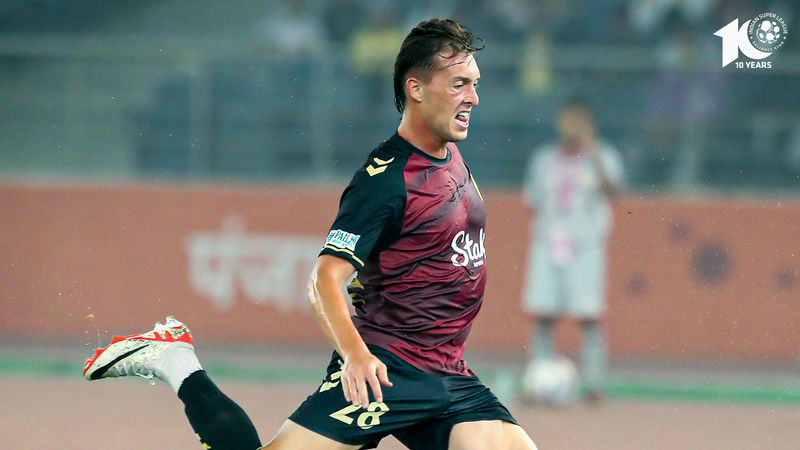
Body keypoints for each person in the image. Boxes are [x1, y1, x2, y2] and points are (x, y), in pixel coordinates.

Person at [84, 18, 538, 450]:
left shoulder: (451, 156)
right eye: (459, 84)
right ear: (415, 88)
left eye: (475, 84)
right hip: (386, 370)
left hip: (449, 373)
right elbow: (324, 280)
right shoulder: (385, 181)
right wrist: (355, 355)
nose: (473, 97)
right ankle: (176, 361)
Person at [521, 98, 624, 403]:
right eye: (567, 120)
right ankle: (537, 381)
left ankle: (593, 384)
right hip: (549, 245)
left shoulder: (602, 156)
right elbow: (532, 200)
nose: (571, 127)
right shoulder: (544, 159)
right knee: (543, 314)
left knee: (589, 315)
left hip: (585, 248)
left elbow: (614, 191)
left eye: (578, 121)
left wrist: (593, 152)